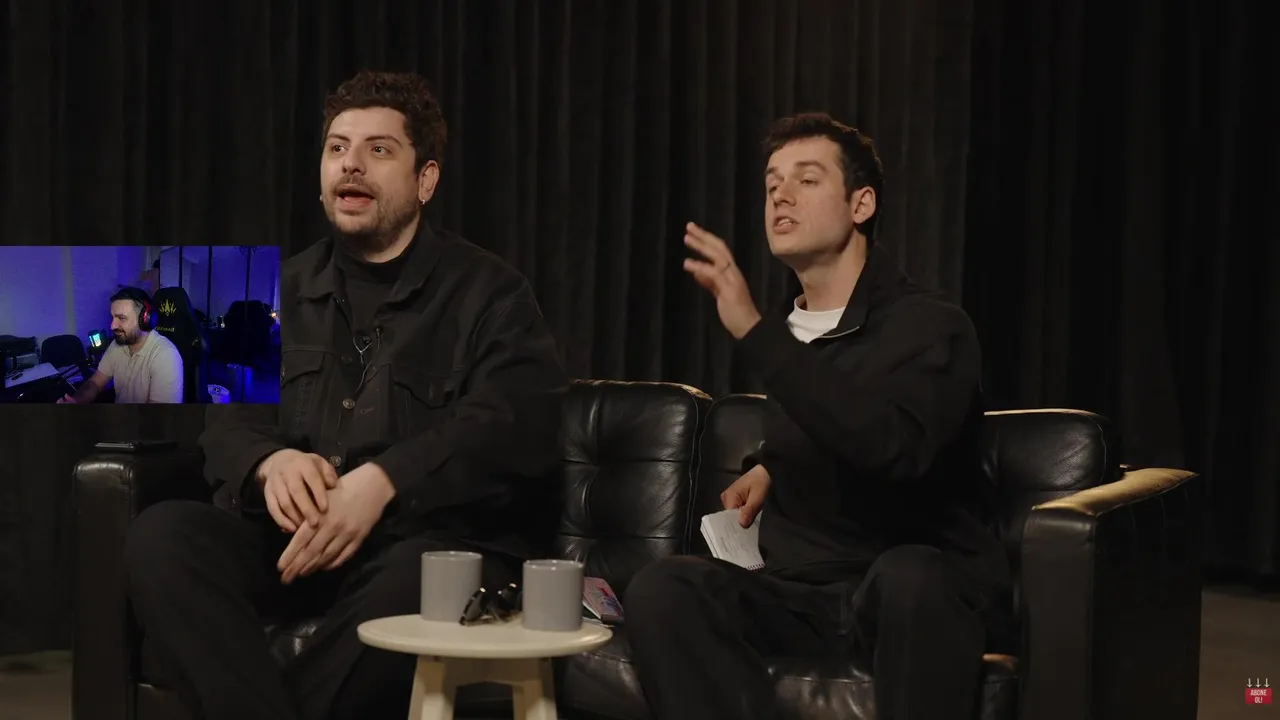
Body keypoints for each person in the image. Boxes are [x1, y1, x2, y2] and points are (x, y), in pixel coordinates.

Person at [123, 71, 568, 720]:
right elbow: (230, 421)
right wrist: (269, 463)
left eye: (379, 150)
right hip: (293, 542)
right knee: (163, 536)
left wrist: (385, 480)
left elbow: (511, 427)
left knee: (424, 577)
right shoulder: (281, 290)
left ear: (426, 180)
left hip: (418, 545)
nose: (351, 164)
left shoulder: (491, 295)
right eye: (338, 148)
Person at [626, 113, 1014, 720]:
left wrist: (755, 333)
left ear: (861, 204)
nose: (780, 194)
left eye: (806, 180)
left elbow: (897, 446)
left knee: (912, 576)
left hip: (904, 590)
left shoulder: (932, 326)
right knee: (664, 588)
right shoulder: (791, 335)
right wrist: (771, 464)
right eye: (772, 182)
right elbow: (828, 413)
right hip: (804, 595)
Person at [58, 287, 183, 404]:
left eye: (121, 318)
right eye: (113, 317)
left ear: (145, 320)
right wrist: (76, 400)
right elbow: (95, 383)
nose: (112, 326)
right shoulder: (117, 345)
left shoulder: (166, 355)